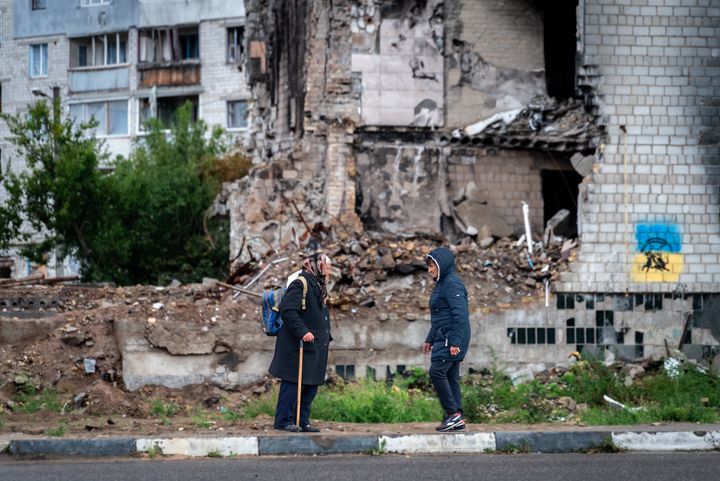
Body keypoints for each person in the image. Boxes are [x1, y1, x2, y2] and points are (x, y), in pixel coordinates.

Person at [268, 252, 333, 432]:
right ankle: (283, 421)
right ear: (315, 266)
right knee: (293, 383)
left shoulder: (319, 285)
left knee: (310, 385)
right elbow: (288, 310)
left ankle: (302, 420)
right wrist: (303, 331)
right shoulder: (300, 283)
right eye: (326, 267)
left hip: (315, 344)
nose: (329, 271)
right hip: (298, 345)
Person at [422, 246, 471, 432]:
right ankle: (456, 416)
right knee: (451, 377)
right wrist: (429, 339)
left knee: (436, 372)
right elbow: (439, 315)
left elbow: (460, 315)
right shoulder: (442, 283)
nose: (429, 270)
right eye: (428, 266)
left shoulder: (452, 284)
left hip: (451, 336)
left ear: (442, 264)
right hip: (444, 335)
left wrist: (455, 342)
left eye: (432, 265)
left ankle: (453, 414)